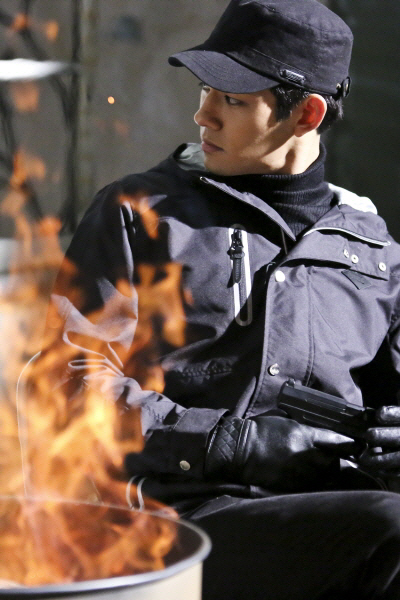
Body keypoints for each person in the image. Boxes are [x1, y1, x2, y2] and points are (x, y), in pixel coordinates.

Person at [45, 0, 400, 598]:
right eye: (205, 90)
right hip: (178, 526)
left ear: (307, 114)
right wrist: (230, 443)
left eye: (232, 100)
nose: (202, 115)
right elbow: (70, 385)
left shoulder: (376, 252)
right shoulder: (140, 214)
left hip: (342, 517)